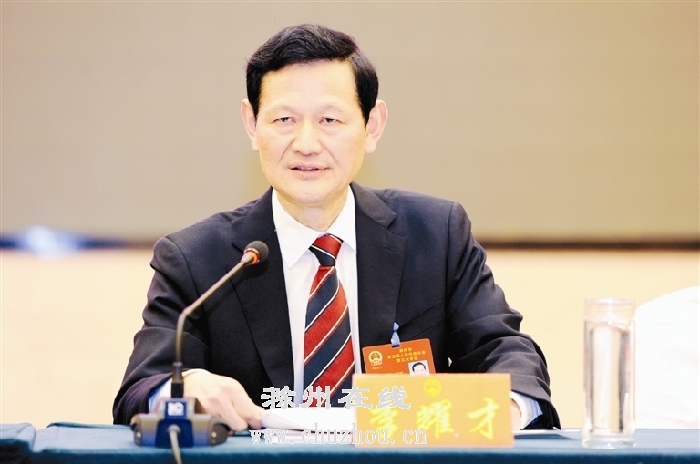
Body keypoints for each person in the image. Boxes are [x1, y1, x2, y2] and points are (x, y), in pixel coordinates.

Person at [113, 24, 560, 431]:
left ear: (372, 125)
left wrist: (506, 409)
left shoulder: (436, 235)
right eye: (284, 120)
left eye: (329, 120)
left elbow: (506, 352)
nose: (306, 144)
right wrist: (183, 387)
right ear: (252, 124)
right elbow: (142, 387)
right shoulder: (198, 259)